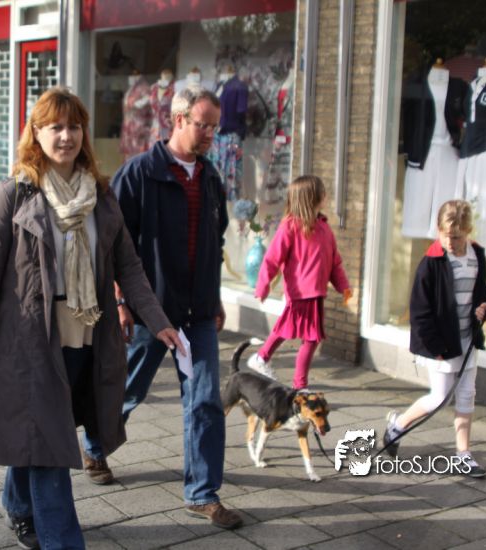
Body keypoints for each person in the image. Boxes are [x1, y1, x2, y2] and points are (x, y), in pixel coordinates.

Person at [0, 87, 184, 549]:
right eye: (55, 127)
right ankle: (62, 540)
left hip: (87, 337)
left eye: (74, 126)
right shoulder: (11, 196)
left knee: (44, 433)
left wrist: (158, 321)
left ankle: (18, 503)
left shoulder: (102, 195)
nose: (66, 136)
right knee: (52, 445)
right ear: (36, 133)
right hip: (28, 344)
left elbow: (128, 266)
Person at [82, 87, 242, 530]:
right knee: (127, 390)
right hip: (150, 310)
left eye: (214, 126)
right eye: (203, 124)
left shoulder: (210, 177)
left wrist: (214, 297)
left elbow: (214, 241)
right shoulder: (139, 174)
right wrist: (121, 300)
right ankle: (95, 446)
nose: (210, 134)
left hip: (198, 313)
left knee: (205, 401)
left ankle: (202, 494)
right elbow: (112, 244)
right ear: (178, 119)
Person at [384, 199, 486, 478]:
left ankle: (463, 455)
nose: (449, 242)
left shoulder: (477, 255)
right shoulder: (430, 263)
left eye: (456, 237)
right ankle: (398, 425)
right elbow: (420, 311)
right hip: (442, 344)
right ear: (438, 229)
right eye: (445, 235)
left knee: (467, 395)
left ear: (468, 231)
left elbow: (483, 291)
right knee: (440, 398)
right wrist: (435, 348)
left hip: (468, 339)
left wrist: (485, 307)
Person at [246, 175, 352, 388]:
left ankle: (264, 360)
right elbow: (272, 259)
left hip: (316, 293)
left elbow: (335, 263)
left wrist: (344, 287)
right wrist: (262, 286)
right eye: (322, 193)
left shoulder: (324, 228)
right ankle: (296, 383)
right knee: (306, 336)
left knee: (299, 333)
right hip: (300, 293)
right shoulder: (290, 227)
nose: (326, 196)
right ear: (311, 198)